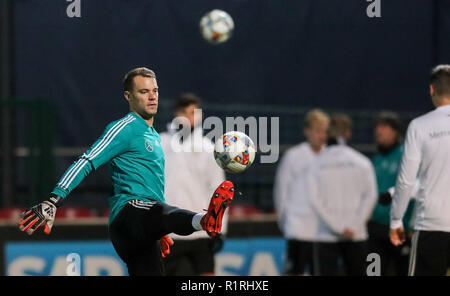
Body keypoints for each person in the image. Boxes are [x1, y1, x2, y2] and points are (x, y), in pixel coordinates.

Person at [18, 67, 234, 276]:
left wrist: (159, 228)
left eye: (155, 91)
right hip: (128, 214)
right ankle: (204, 220)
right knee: (158, 210)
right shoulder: (124, 128)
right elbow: (87, 161)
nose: (152, 97)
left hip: (148, 225)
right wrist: (54, 199)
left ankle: (194, 220)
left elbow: (156, 194)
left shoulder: (154, 137)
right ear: (128, 96)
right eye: (143, 91)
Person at [390, 65, 450, 276]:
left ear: (432, 90)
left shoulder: (420, 126)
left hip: (432, 225)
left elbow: (406, 181)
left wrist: (396, 219)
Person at [159, 93, 226, 275]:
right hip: (169, 231)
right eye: (186, 112)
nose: (191, 118)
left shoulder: (209, 148)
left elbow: (218, 189)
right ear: (176, 114)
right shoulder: (159, 144)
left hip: (201, 230)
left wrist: (219, 228)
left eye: (195, 113)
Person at [306, 114, 377, 276]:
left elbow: (314, 201)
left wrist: (337, 227)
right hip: (356, 234)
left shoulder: (315, 164)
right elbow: (370, 196)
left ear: (326, 134)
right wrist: (353, 226)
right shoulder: (362, 162)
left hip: (326, 235)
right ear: (348, 134)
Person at [273, 109, 329, 275]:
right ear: (307, 131)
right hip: (298, 229)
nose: (321, 136)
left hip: (324, 231)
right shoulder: (293, 156)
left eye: (325, 131)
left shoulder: (332, 156)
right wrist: (285, 222)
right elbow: (281, 191)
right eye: (317, 131)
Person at [367, 112, 415, 275]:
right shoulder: (376, 160)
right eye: (377, 128)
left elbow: (413, 189)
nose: (378, 132)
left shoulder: (406, 156)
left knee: (403, 270)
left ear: (395, 132)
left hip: (399, 228)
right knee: (373, 272)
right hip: (375, 227)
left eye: (384, 127)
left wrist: (410, 225)